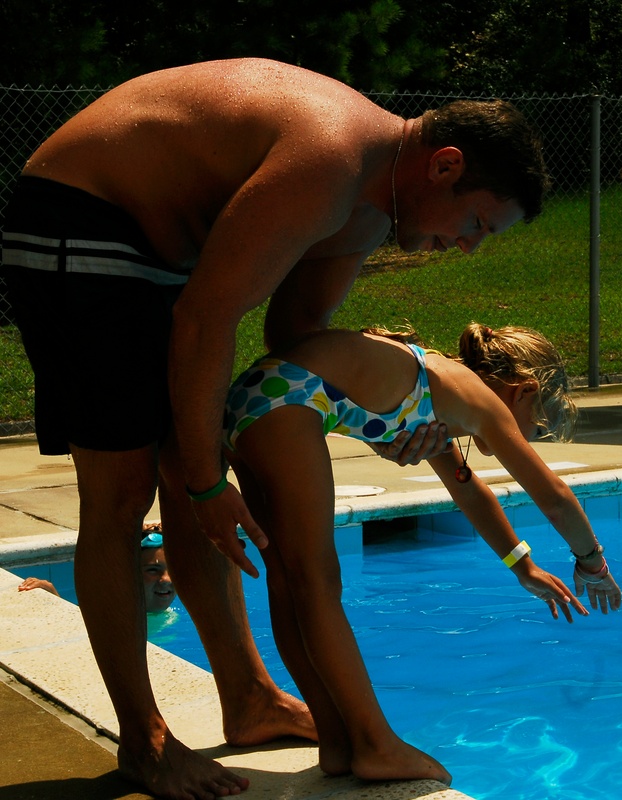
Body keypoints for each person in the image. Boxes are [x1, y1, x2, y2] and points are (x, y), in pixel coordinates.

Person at [0, 58, 549, 799]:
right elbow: (208, 317)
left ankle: (249, 698)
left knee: (186, 468)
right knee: (125, 488)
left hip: (157, 255)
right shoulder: (329, 157)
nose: (469, 245)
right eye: (477, 223)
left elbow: (298, 336)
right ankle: (145, 741)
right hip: (81, 220)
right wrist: (206, 480)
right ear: (444, 166)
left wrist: (388, 421)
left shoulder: (371, 203)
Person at [222, 322, 622, 784]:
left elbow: (470, 492)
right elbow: (552, 495)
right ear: (523, 391)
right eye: (538, 423)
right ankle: (375, 744)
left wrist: (522, 565)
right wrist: (591, 560)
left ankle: (338, 741)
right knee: (317, 581)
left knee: (291, 581)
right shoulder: (479, 397)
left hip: (255, 403)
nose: (529, 437)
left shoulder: (439, 395)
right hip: (286, 402)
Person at [18, 523, 177, 614]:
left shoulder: (169, 614)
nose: (167, 579)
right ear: (126, 574)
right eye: (153, 570)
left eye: (173, 569)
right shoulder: (113, 615)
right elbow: (79, 632)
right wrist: (54, 599)